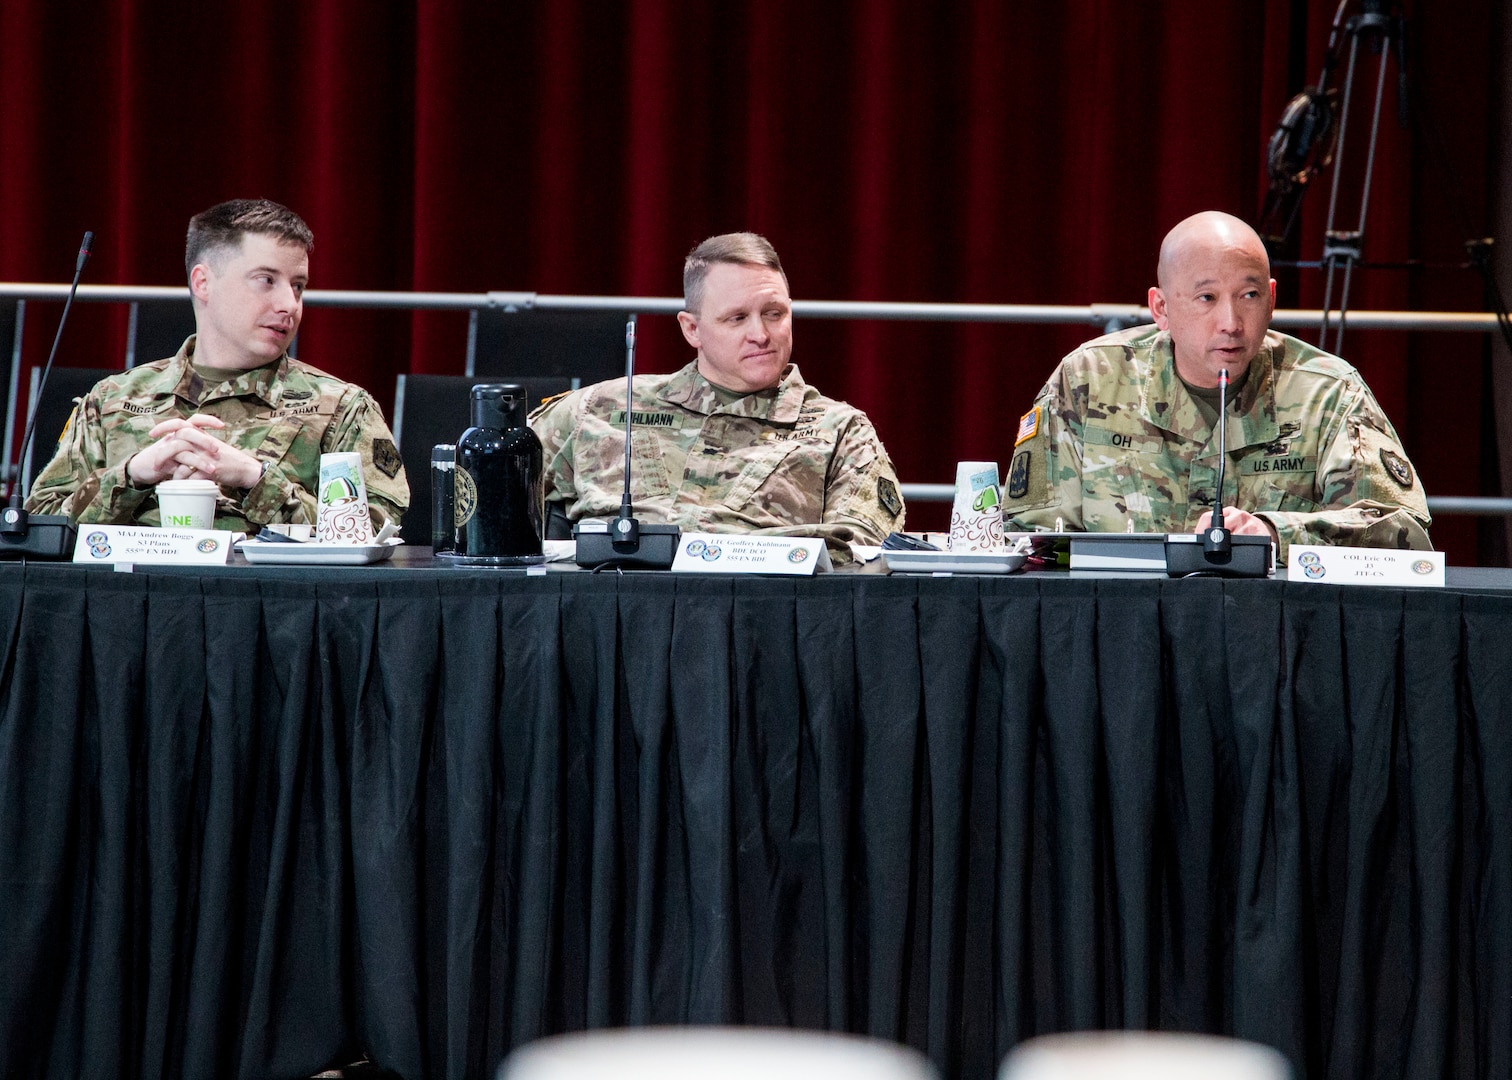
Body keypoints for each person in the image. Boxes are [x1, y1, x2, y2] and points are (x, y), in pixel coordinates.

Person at [1002, 210, 1431, 557]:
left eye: (1250, 296)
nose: (1231, 324)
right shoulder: (1089, 382)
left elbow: (1405, 535)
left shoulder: (1328, 393)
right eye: (1206, 298)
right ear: (1161, 307)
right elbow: (1025, 539)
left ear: (1273, 299)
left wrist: (1274, 534)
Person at [27, 199, 408, 532]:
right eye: (266, 280)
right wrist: (132, 476)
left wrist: (253, 479)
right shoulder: (112, 401)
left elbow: (374, 532)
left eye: (298, 286)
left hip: (272, 609)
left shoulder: (341, 409)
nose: (289, 304)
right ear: (203, 283)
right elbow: (40, 523)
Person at [529, 232, 905, 555]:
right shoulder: (598, 408)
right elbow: (480, 502)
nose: (761, 334)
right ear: (692, 329)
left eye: (774, 314)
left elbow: (864, 555)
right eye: (737, 318)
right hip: (608, 612)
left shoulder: (841, 432)